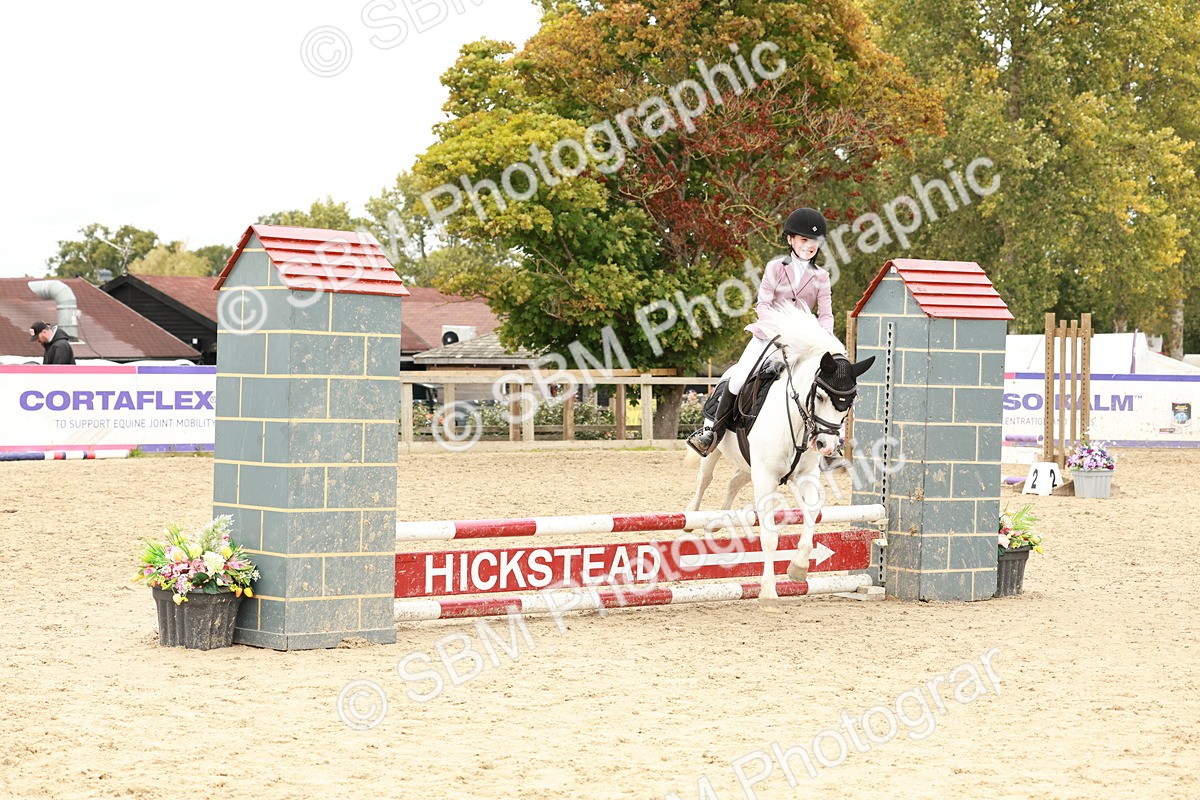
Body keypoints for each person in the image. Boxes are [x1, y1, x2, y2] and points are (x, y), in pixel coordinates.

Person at [687, 207, 833, 456]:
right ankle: (713, 433)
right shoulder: (775, 268)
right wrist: (779, 331)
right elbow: (763, 304)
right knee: (738, 378)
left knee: (822, 385)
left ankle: (825, 439)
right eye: (804, 239)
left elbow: (826, 314)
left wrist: (822, 340)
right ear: (790, 240)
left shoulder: (821, 276)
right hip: (769, 338)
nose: (809, 246)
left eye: (814, 242)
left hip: (801, 345)